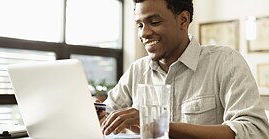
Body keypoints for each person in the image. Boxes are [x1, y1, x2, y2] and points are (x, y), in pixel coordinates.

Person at [99, 0, 269, 138]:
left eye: (154, 22)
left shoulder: (225, 61)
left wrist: (157, 124)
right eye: (140, 25)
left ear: (183, 20)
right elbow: (106, 114)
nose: (144, 33)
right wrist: (96, 114)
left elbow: (254, 131)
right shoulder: (137, 70)